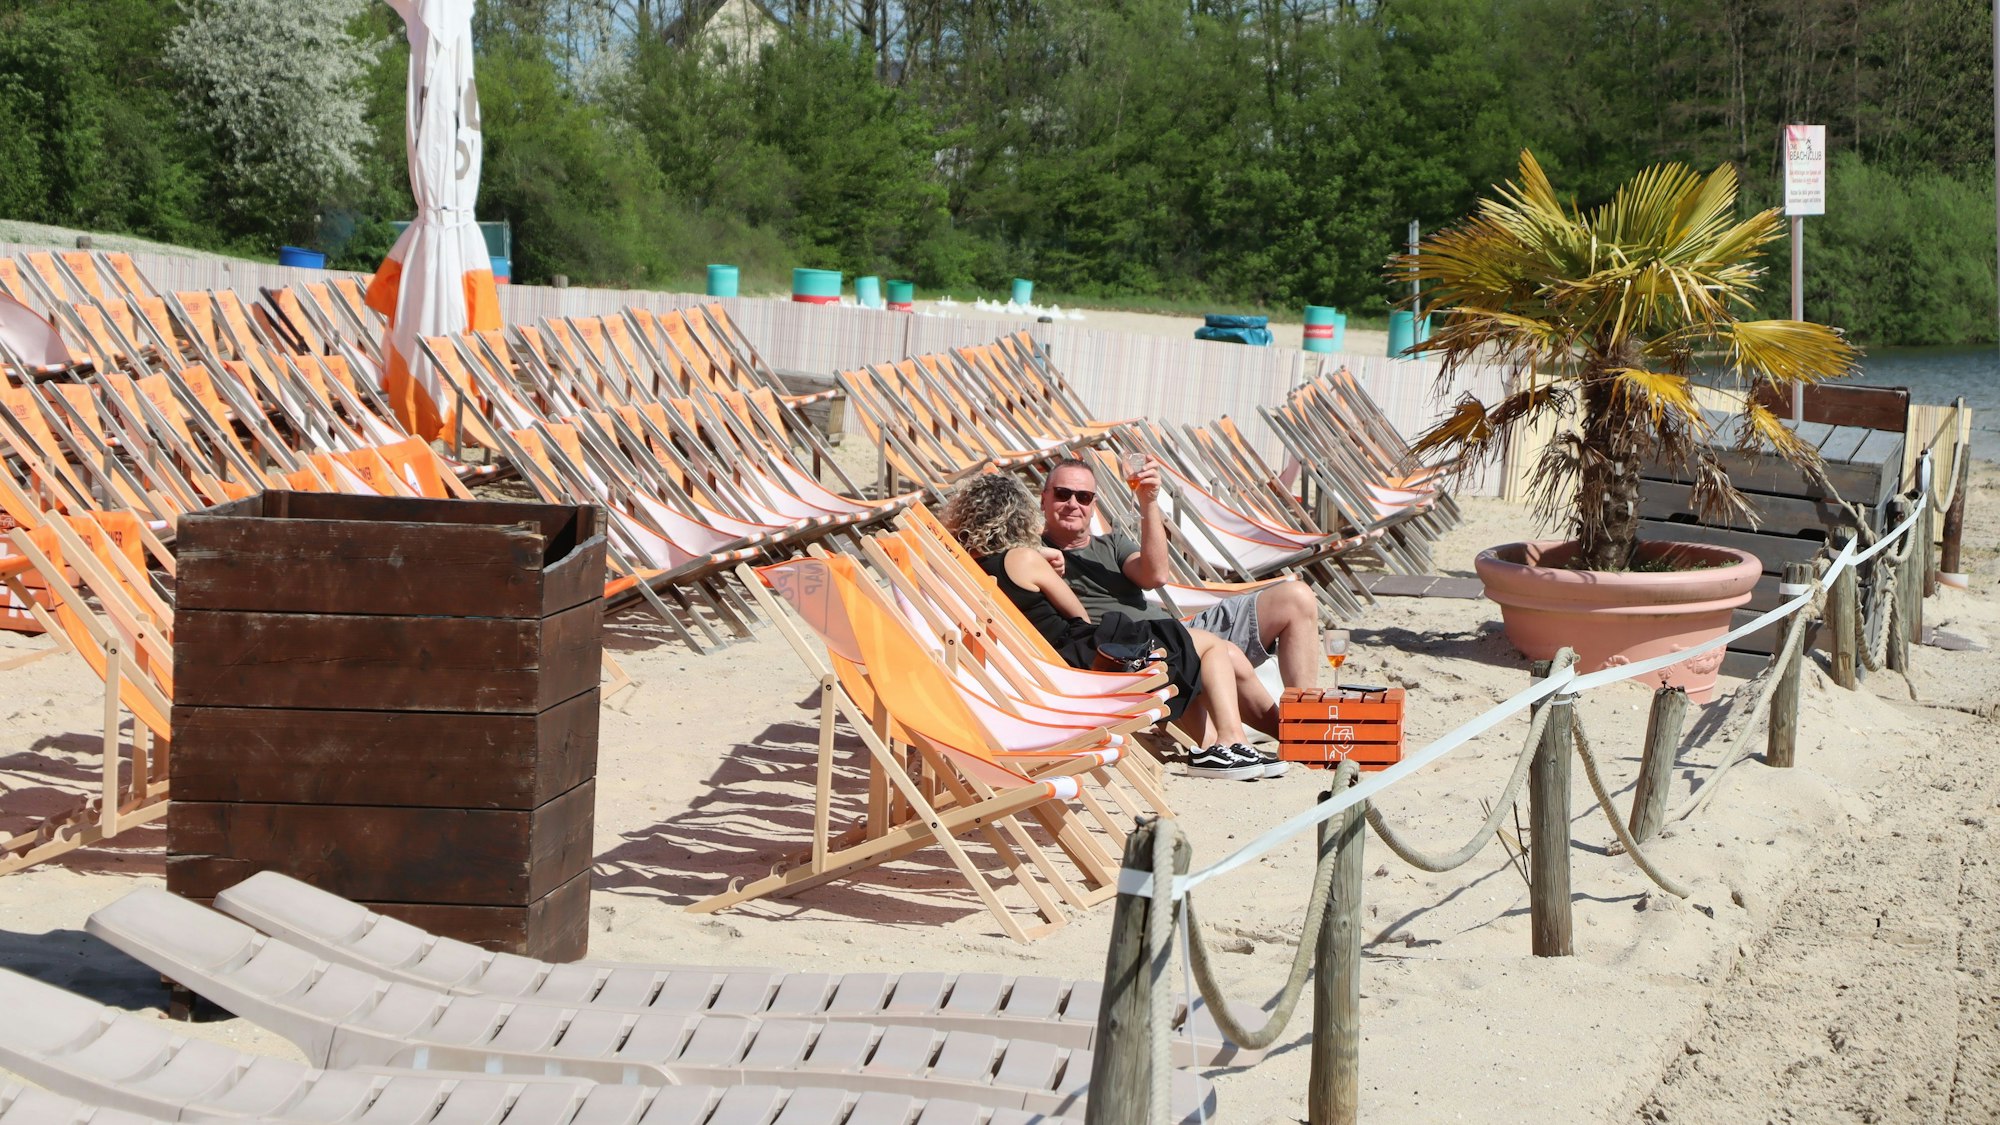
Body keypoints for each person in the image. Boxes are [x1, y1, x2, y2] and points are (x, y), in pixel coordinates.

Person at [938, 472, 1282, 780]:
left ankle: (1222, 745)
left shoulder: (972, 569)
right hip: (1082, 661)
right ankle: (1228, 742)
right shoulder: (1025, 559)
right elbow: (1078, 615)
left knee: (1193, 644)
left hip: (1046, 669)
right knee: (1208, 644)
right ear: (1020, 515)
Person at [1039, 455, 1324, 739]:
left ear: (1093, 504)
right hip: (1139, 652)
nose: (1073, 504)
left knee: (1297, 597)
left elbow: (1156, 576)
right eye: (1063, 494)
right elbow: (1001, 561)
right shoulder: (1030, 557)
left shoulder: (1112, 544)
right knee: (1225, 653)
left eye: (1084, 496)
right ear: (1043, 498)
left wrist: (1149, 503)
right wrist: (1037, 556)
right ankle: (1299, 739)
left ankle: (1304, 722)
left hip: (1177, 631)